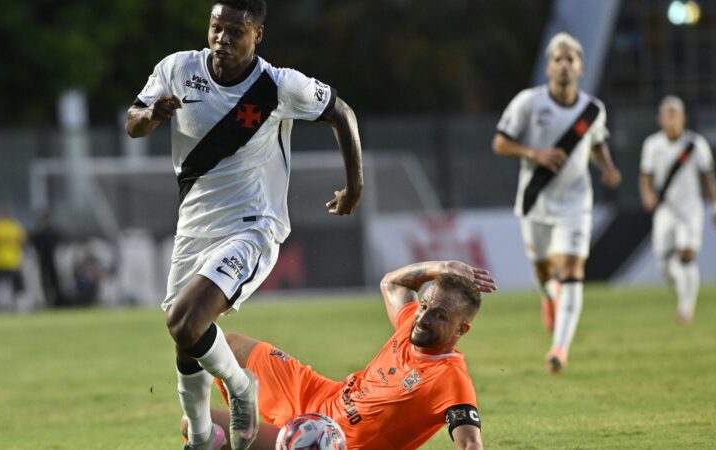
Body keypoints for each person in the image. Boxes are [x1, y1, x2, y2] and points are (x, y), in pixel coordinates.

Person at [124, 1, 364, 449]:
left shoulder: (278, 86)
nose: (223, 39)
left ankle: (240, 388)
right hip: (194, 227)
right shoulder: (177, 69)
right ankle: (199, 437)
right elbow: (133, 123)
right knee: (185, 337)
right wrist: (152, 115)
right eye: (217, 28)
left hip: (252, 227)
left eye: (236, 31)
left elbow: (342, 113)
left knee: (187, 319)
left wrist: (355, 187)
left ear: (258, 35)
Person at [182, 260, 497, 450]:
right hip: (318, 396)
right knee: (228, 346)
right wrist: (440, 267)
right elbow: (393, 281)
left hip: (331, 442)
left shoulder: (449, 377)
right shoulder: (410, 322)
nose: (423, 318)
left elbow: (470, 442)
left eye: (439, 316)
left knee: (197, 427)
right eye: (425, 305)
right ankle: (244, 429)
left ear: (461, 330)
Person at [491, 32, 621, 373]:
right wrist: (535, 153)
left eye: (570, 59)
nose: (564, 64)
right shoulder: (528, 103)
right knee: (544, 271)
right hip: (535, 200)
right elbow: (500, 144)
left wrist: (607, 168)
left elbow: (596, 143)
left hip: (577, 204)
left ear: (580, 66)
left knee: (572, 271)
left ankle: (559, 350)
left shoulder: (593, 110)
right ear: (549, 67)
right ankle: (549, 299)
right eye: (558, 59)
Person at [639, 96, 716, 324]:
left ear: (683, 118)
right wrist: (647, 194)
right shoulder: (652, 145)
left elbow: (708, 177)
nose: (671, 120)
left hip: (690, 208)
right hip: (665, 210)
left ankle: (686, 309)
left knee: (686, 255)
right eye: (667, 115)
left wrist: (714, 204)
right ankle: (684, 292)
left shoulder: (696, 144)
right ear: (660, 118)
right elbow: (645, 175)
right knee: (663, 260)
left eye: (675, 115)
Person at [0, 203, 27, 312]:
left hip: (11, 260)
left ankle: (18, 305)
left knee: (16, 284)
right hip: (1, 260)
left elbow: (21, 243)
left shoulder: (13, 226)